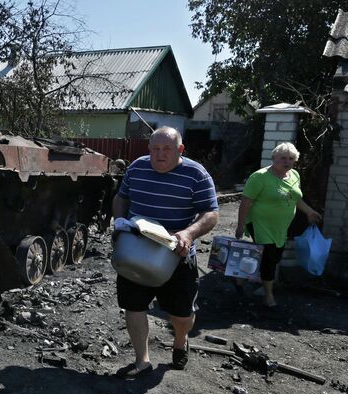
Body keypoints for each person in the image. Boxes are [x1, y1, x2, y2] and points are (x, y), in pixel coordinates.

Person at [112, 127, 219, 377]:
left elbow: (211, 214)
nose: (159, 155)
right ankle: (142, 360)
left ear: (180, 150)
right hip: (136, 250)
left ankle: (180, 340)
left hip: (176, 254)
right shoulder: (137, 167)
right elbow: (121, 197)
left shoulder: (197, 174)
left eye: (167, 149)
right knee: (134, 306)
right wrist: (118, 221)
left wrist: (188, 233)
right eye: (155, 149)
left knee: (181, 314)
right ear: (148, 149)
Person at [234, 142, 322, 308]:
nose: (287, 162)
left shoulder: (294, 175)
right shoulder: (259, 177)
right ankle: (268, 296)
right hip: (260, 223)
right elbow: (245, 202)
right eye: (283, 158)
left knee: (271, 257)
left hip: (281, 226)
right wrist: (240, 225)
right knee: (269, 258)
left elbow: (295, 198)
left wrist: (309, 211)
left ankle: (240, 278)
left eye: (291, 158)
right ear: (274, 157)